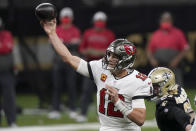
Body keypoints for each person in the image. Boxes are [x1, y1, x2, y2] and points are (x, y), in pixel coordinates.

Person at [40, 18, 152, 130]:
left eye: (115, 56)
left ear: (126, 60)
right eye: (110, 54)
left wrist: (118, 102)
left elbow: (140, 119)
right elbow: (69, 58)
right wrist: (52, 34)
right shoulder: (100, 68)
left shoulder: (137, 80)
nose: (110, 58)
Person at [77, 11, 115, 122]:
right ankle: (83, 114)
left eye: (101, 21)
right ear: (94, 22)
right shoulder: (88, 33)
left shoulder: (109, 34)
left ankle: (104, 115)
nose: (99, 23)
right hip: (90, 66)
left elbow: (113, 51)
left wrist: (100, 52)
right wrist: (88, 51)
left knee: (105, 92)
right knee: (86, 91)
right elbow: (81, 49)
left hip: (104, 67)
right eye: (98, 21)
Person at [48, 7, 81, 119]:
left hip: (71, 61)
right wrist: (65, 44)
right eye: (64, 18)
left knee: (71, 85)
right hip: (58, 61)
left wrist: (61, 44)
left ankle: (72, 109)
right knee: (57, 86)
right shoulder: (56, 29)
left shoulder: (75, 30)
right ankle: (55, 109)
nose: (66, 20)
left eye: (68, 18)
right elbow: (52, 44)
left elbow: (75, 44)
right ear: (61, 18)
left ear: (71, 18)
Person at [146, 12, 189, 86]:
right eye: (164, 19)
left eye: (168, 19)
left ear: (171, 21)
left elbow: (185, 49)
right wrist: (152, 59)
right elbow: (149, 49)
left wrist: (177, 60)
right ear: (160, 21)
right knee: (159, 86)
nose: (166, 21)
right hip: (159, 67)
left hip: (174, 66)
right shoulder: (156, 34)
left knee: (176, 86)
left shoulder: (178, 33)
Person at [148, 67, 195, 131]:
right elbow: (190, 112)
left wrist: (188, 126)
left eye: (155, 87)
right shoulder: (178, 89)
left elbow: (177, 114)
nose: (152, 90)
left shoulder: (164, 105)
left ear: (166, 85)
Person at [0, 17, 17, 127]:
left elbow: (7, 47)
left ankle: (11, 122)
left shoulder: (7, 34)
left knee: (9, 98)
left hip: (6, 72)